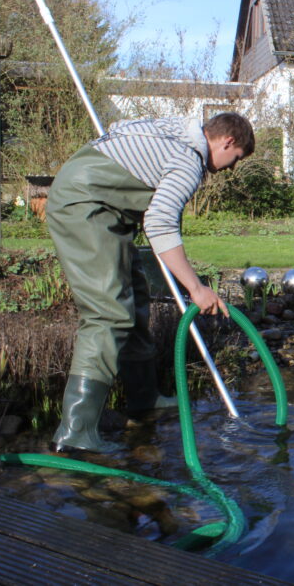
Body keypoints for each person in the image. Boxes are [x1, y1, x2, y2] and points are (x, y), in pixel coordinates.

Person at [45, 112, 254, 453]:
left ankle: (144, 400)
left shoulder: (174, 129)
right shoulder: (187, 160)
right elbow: (159, 224)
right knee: (108, 313)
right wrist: (196, 288)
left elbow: (119, 128)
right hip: (84, 207)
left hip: (106, 209)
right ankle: (76, 434)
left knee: (135, 298)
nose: (231, 167)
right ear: (227, 142)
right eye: (236, 158)